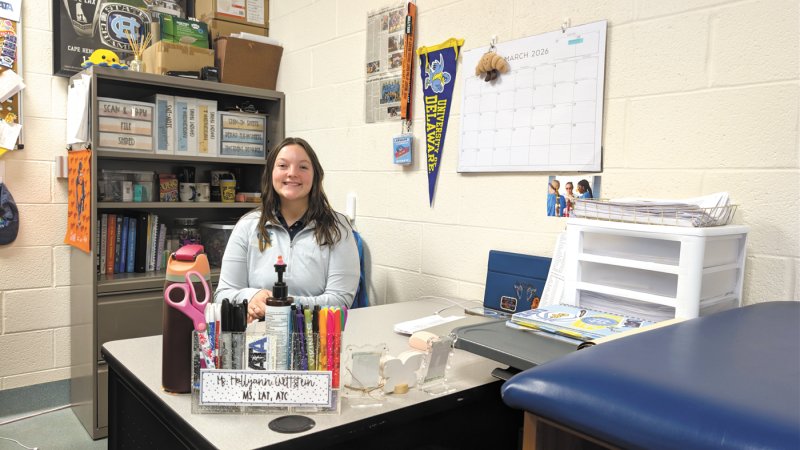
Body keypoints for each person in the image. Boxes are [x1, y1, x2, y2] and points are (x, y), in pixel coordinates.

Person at [214, 137, 360, 322]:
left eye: (303, 167)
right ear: (271, 174)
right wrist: (251, 296)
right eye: (283, 166)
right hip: (258, 336)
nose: (292, 173)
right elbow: (223, 295)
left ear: (316, 175)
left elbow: (340, 301)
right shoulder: (247, 225)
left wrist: (282, 305)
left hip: (312, 338)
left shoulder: (338, 228)